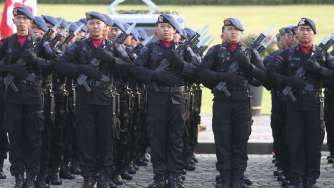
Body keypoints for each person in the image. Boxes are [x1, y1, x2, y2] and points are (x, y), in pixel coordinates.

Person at [198, 17, 266, 188]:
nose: (233, 32)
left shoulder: (249, 53)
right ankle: (225, 177)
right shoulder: (215, 51)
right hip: (222, 102)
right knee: (222, 141)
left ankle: (238, 178)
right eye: (229, 29)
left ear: (241, 33)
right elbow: (202, 74)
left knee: (240, 141)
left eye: (237, 30)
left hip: (242, 102)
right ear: (223, 32)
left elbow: (263, 79)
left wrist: (249, 67)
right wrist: (221, 78)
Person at [131, 14, 197, 188]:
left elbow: (197, 71)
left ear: (175, 30)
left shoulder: (183, 50)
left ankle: (174, 177)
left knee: (176, 138)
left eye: (169, 27)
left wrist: (181, 64)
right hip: (157, 97)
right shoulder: (150, 49)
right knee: (157, 138)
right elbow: (136, 69)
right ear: (156, 30)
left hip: (177, 98)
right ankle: (159, 177)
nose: (165, 30)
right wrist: (153, 75)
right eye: (162, 27)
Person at [269, 18, 334, 188]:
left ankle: (311, 178)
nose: (305, 32)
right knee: (294, 141)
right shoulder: (286, 55)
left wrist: (320, 70)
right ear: (296, 33)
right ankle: (296, 177)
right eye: (302, 29)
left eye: (308, 29)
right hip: (293, 105)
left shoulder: (322, 55)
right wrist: (289, 80)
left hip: (314, 104)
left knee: (314, 143)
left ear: (313, 33)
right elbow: (271, 76)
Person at [0, 6, 54, 188]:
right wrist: (9, 69)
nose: (22, 22)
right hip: (13, 99)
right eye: (18, 19)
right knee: (15, 139)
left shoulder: (40, 43)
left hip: (33, 98)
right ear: (13, 21)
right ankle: (19, 177)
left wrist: (35, 61)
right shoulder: (6, 43)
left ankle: (32, 176)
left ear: (30, 22)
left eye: (25, 19)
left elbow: (53, 66)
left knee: (34, 139)